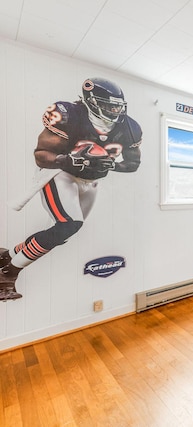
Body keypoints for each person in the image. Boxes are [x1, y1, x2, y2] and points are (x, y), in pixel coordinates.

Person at [0, 77, 142, 301]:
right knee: (69, 225)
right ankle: (9, 273)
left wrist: (111, 164)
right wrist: (72, 161)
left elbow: (133, 163)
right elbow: (42, 155)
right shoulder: (67, 113)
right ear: (91, 101)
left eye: (117, 105)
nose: (114, 110)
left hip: (91, 181)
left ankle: (8, 255)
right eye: (108, 105)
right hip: (61, 174)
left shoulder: (131, 127)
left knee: (64, 233)